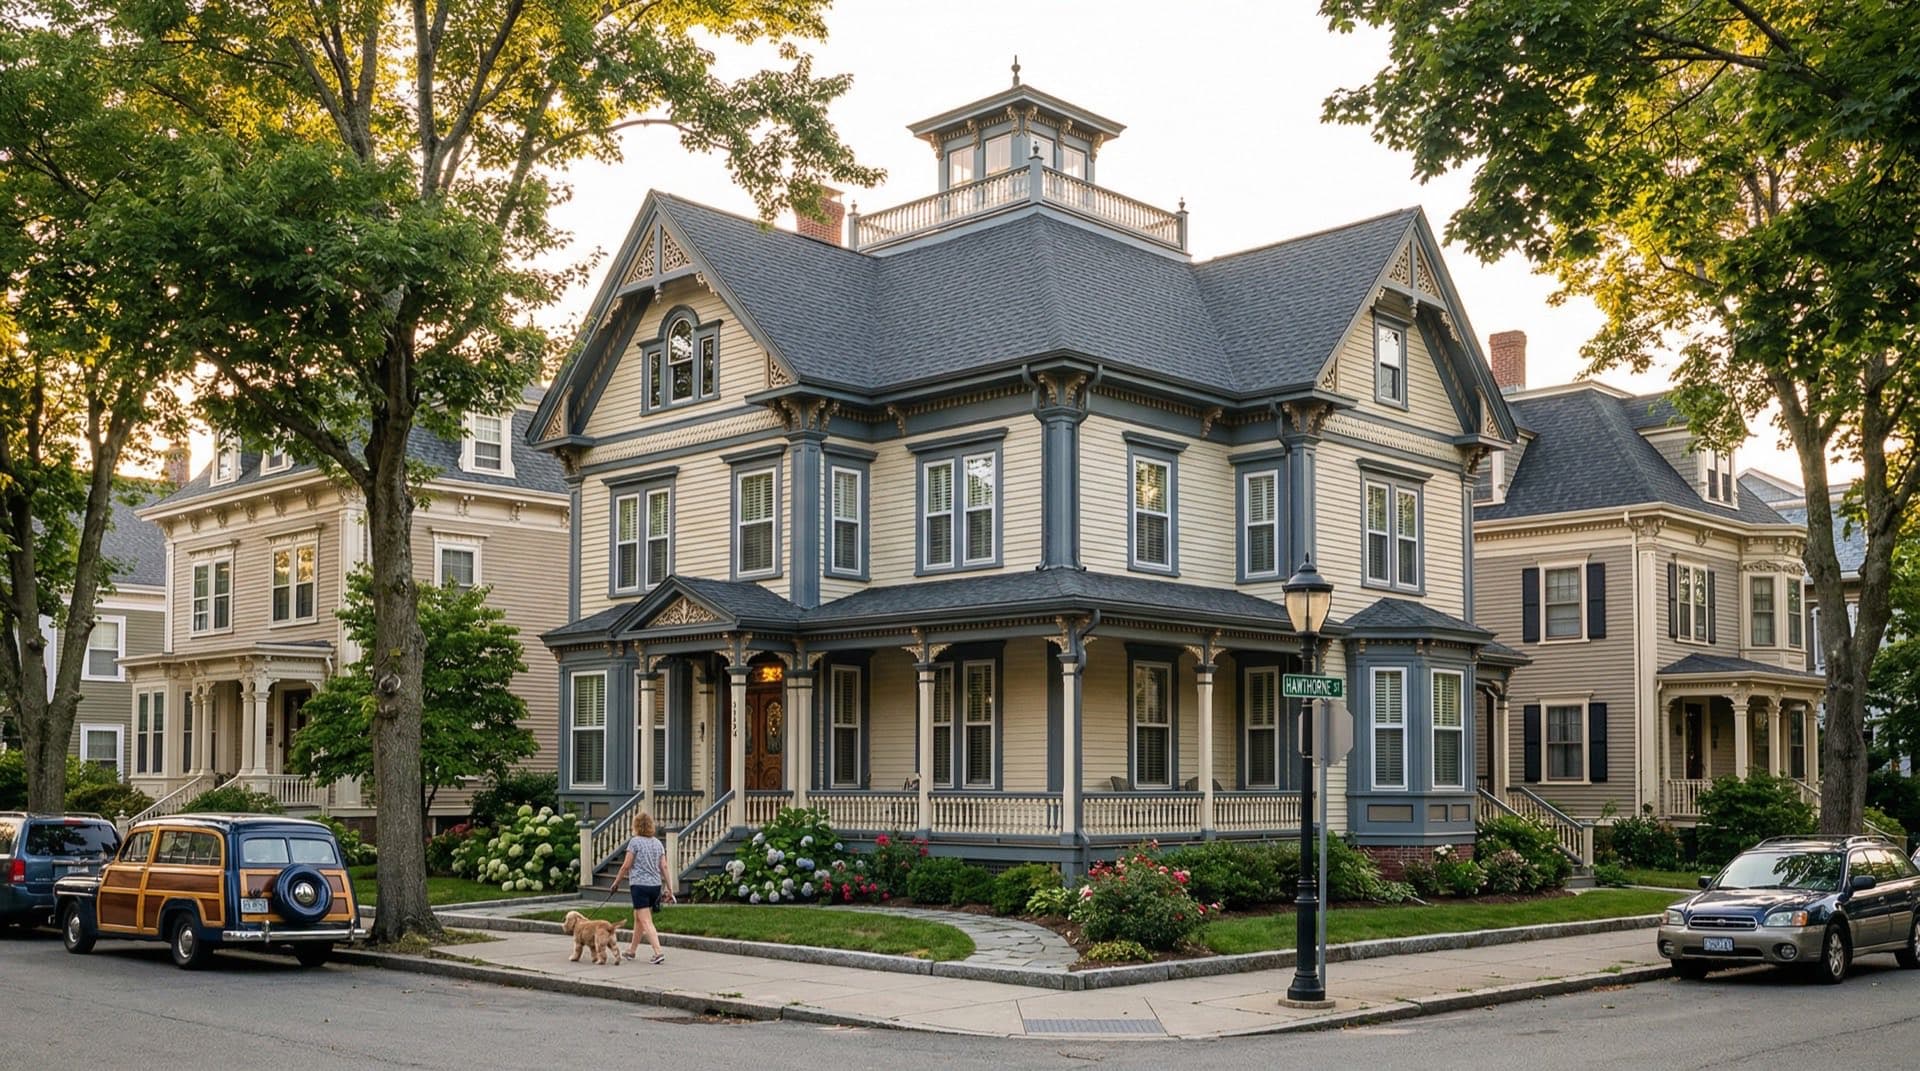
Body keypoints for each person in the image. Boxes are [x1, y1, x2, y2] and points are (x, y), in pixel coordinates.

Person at [609, 811, 674, 964]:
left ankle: (658, 952)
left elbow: (626, 866)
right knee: (638, 918)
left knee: (645, 920)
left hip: (640, 886)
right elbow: (664, 866)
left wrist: (616, 883)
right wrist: (670, 888)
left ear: (636, 826)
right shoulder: (657, 843)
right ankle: (632, 951)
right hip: (655, 886)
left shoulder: (635, 842)